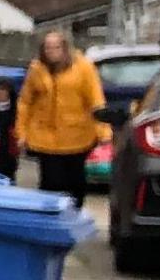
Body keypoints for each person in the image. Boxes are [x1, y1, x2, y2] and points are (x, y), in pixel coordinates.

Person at [18, 27, 107, 198]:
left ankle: (74, 217)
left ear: (66, 48)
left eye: (56, 47)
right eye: (47, 48)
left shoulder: (84, 68)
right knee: (51, 183)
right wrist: (21, 132)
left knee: (76, 184)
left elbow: (96, 101)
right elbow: (25, 102)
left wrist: (103, 132)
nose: (51, 52)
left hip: (77, 138)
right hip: (45, 139)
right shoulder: (37, 69)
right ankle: (51, 220)